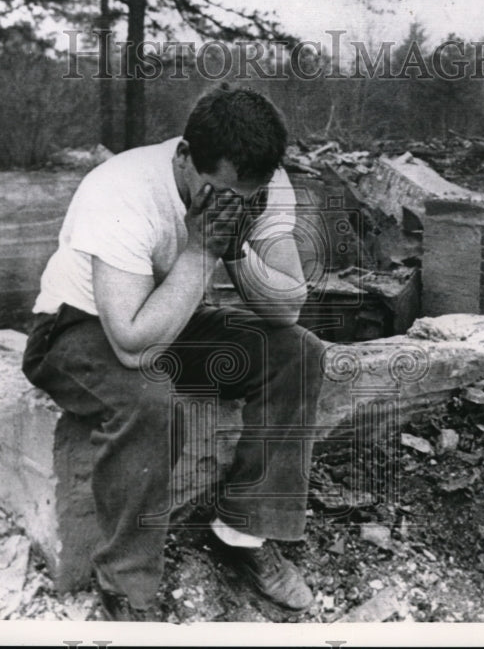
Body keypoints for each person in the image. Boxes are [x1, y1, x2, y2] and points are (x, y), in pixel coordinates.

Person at [22, 84, 325, 620]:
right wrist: (202, 247)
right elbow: (133, 345)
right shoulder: (121, 190)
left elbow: (287, 309)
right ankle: (127, 586)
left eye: (248, 197)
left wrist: (236, 251)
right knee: (150, 400)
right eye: (223, 192)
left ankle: (243, 533)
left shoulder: (264, 182)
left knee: (295, 354)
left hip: (170, 312)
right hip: (76, 328)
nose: (238, 204)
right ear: (184, 156)